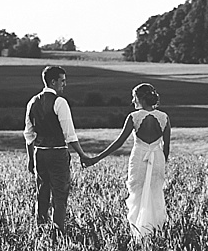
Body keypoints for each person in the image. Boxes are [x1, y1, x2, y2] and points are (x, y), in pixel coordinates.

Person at [83, 83, 170, 239]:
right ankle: (155, 232)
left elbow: (118, 143)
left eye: (134, 97)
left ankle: (138, 233)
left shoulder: (134, 117)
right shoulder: (164, 117)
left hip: (139, 158)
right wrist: (161, 164)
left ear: (141, 98)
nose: (132, 100)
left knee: (136, 195)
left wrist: (96, 159)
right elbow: (166, 147)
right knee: (155, 194)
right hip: (157, 159)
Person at [24, 65, 89, 232]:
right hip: (58, 152)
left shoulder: (32, 102)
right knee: (60, 194)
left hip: (40, 154)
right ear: (53, 82)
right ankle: (58, 232)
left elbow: (29, 135)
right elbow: (70, 134)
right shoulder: (60, 102)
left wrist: (31, 159)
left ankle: (41, 229)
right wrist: (82, 154)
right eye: (62, 81)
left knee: (42, 192)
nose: (64, 85)